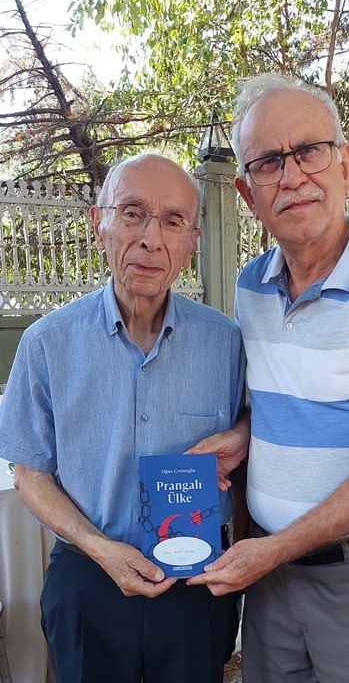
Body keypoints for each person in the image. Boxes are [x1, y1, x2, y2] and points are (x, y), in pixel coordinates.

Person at [189, 73, 349, 683]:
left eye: (308, 150)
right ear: (246, 193)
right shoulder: (252, 286)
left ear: (346, 165)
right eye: (267, 162)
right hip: (275, 583)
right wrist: (244, 435)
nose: (291, 176)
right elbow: (288, 403)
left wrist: (273, 549)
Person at [0, 153, 246, 683]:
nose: (151, 239)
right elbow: (30, 474)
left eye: (173, 221)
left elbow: (254, 428)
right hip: (90, 579)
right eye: (132, 214)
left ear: (192, 243)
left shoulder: (226, 342)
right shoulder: (46, 345)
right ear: (99, 225)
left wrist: (243, 433)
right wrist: (100, 548)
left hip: (196, 585)